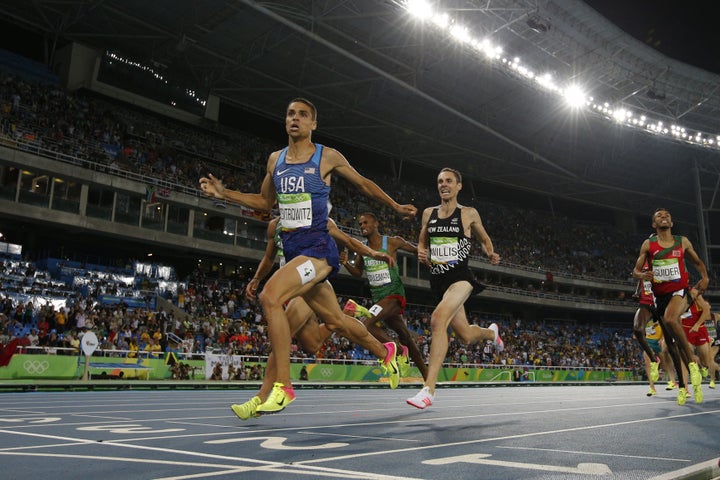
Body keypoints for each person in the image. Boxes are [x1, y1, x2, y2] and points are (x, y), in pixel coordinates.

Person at [200, 97, 417, 415]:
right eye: (290, 113)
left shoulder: (326, 156)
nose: (295, 119)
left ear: (313, 123)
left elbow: (364, 185)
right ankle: (387, 351)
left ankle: (281, 389)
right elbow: (264, 202)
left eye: (302, 115)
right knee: (335, 321)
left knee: (271, 296)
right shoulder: (275, 160)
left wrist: (396, 206)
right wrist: (224, 193)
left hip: (318, 252)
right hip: (295, 254)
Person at [231, 215, 397, 420]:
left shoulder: (316, 216)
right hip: (290, 285)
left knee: (281, 338)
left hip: (309, 282)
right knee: (319, 337)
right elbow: (268, 258)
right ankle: (385, 351)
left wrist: (372, 253)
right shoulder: (275, 226)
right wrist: (257, 278)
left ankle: (260, 398)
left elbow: (345, 240)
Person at [406, 167, 503, 409]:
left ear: (459, 186)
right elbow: (422, 239)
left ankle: (428, 389)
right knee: (467, 336)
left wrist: (490, 252)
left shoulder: (468, 213)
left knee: (438, 320)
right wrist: (421, 250)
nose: (443, 185)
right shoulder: (429, 213)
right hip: (437, 281)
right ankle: (492, 333)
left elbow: (484, 238)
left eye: (449, 181)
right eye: (440, 181)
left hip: (460, 278)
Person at [632, 208, 709, 405]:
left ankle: (692, 363)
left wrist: (705, 277)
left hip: (680, 291)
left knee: (670, 318)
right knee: (670, 345)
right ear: (654, 224)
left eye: (667, 215)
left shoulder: (682, 241)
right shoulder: (649, 245)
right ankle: (683, 387)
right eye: (659, 215)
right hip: (659, 297)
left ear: (672, 223)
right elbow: (636, 271)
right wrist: (642, 276)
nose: (664, 217)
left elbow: (698, 261)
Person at [340, 211, 428, 380]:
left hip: (394, 295)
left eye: (365, 223)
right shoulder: (362, 249)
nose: (362, 227)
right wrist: (345, 264)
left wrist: (428, 257)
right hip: (379, 299)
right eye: (360, 224)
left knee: (365, 325)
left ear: (376, 224)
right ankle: (427, 375)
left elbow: (417, 250)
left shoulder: (393, 242)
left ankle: (396, 348)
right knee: (406, 337)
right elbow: (358, 272)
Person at [680, 294, 719, 391]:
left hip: (712, 339)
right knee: (688, 357)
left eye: (708, 305)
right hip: (691, 333)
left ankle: (710, 377)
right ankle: (685, 388)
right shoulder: (682, 303)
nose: (706, 306)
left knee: (708, 360)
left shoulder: (715, 316)